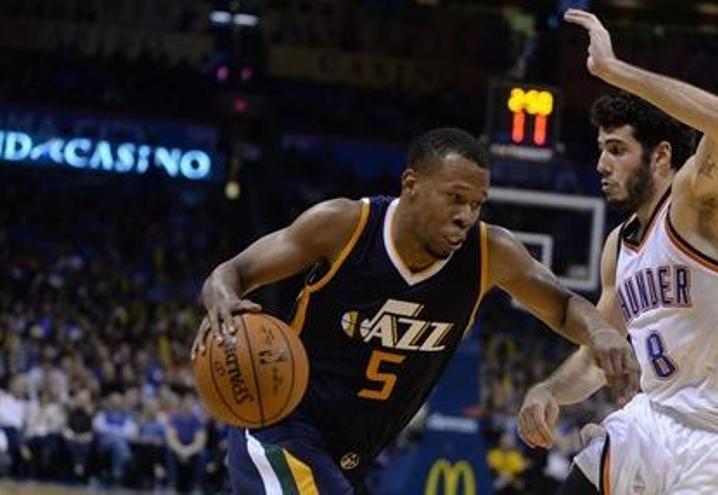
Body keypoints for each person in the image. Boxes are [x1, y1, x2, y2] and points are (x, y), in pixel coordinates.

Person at [193, 127, 638, 494]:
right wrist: (222, 299)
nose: (467, 214)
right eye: (455, 198)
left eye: (477, 203)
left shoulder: (490, 253)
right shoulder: (344, 226)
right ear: (411, 184)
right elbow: (233, 272)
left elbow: (562, 307)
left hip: (352, 453)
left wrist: (599, 332)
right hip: (281, 425)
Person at [517, 10, 718, 494]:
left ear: (661, 155)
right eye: (601, 148)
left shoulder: (697, 205)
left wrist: (613, 70)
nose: (602, 164)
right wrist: (549, 391)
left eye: (617, 149)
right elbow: (596, 357)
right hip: (654, 420)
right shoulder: (618, 247)